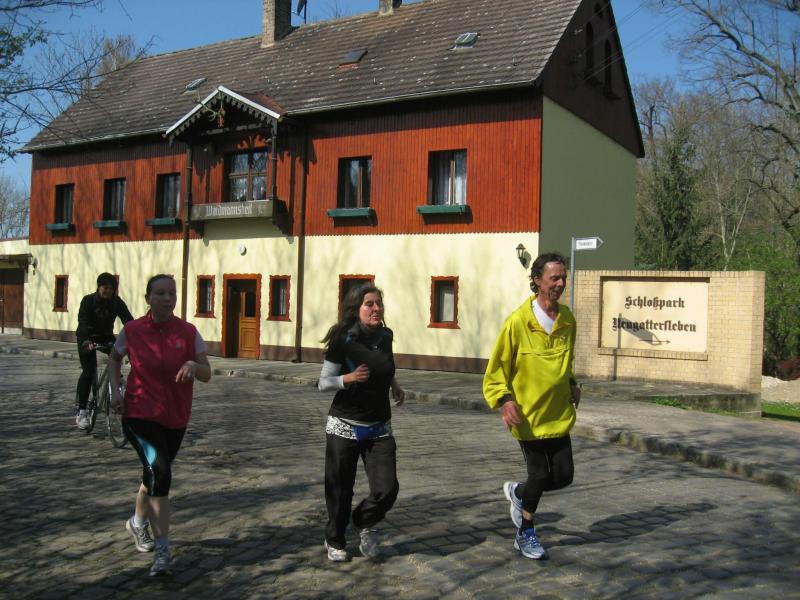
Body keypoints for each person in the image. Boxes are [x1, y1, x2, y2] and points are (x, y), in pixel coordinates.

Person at [107, 274, 211, 577]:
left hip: (175, 417)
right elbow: (114, 359)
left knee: (153, 475)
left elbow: (207, 373)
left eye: (172, 293)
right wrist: (115, 392)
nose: (167, 298)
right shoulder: (132, 330)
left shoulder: (188, 332)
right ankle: (163, 551)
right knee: (161, 473)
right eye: (161, 293)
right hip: (139, 414)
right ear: (148, 298)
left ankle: (137, 522)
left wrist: (194, 365)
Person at [483, 252, 581, 560]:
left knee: (563, 476)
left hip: (558, 414)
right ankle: (525, 533)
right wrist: (504, 401)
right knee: (538, 474)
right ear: (537, 280)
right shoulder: (518, 322)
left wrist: (572, 383)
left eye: (563, 277)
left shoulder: (567, 319)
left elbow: (567, 362)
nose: (560, 283)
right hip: (527, 416)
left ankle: (519, 492)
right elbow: (497, 369)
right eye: (554, 278)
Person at [317, 284, 405, 562]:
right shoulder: (343, 340)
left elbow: (384, 364)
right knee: (340, 488)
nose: (376, 308)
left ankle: (363, 520)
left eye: (379, 303)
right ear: (357, 309)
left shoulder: (386, 336)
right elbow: (323, 383)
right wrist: (348, 379)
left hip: (379, 426)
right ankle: (335, 539)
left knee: (387, 488)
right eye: (370, 304)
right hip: (344, 424)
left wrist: (394, 384)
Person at [74, 272, 134, 430]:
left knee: (116, 360)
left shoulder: (116, 302)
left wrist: (136, 335)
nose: (108, 291)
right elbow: (82, 321)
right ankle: (82, 412)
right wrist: (86, 340)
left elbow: (128, 320)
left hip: (106, 336)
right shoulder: (88, 301)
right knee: (88, 371)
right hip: (87, 337)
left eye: (111, 288)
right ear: (98, 287)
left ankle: (116, 390)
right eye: (105, 288)